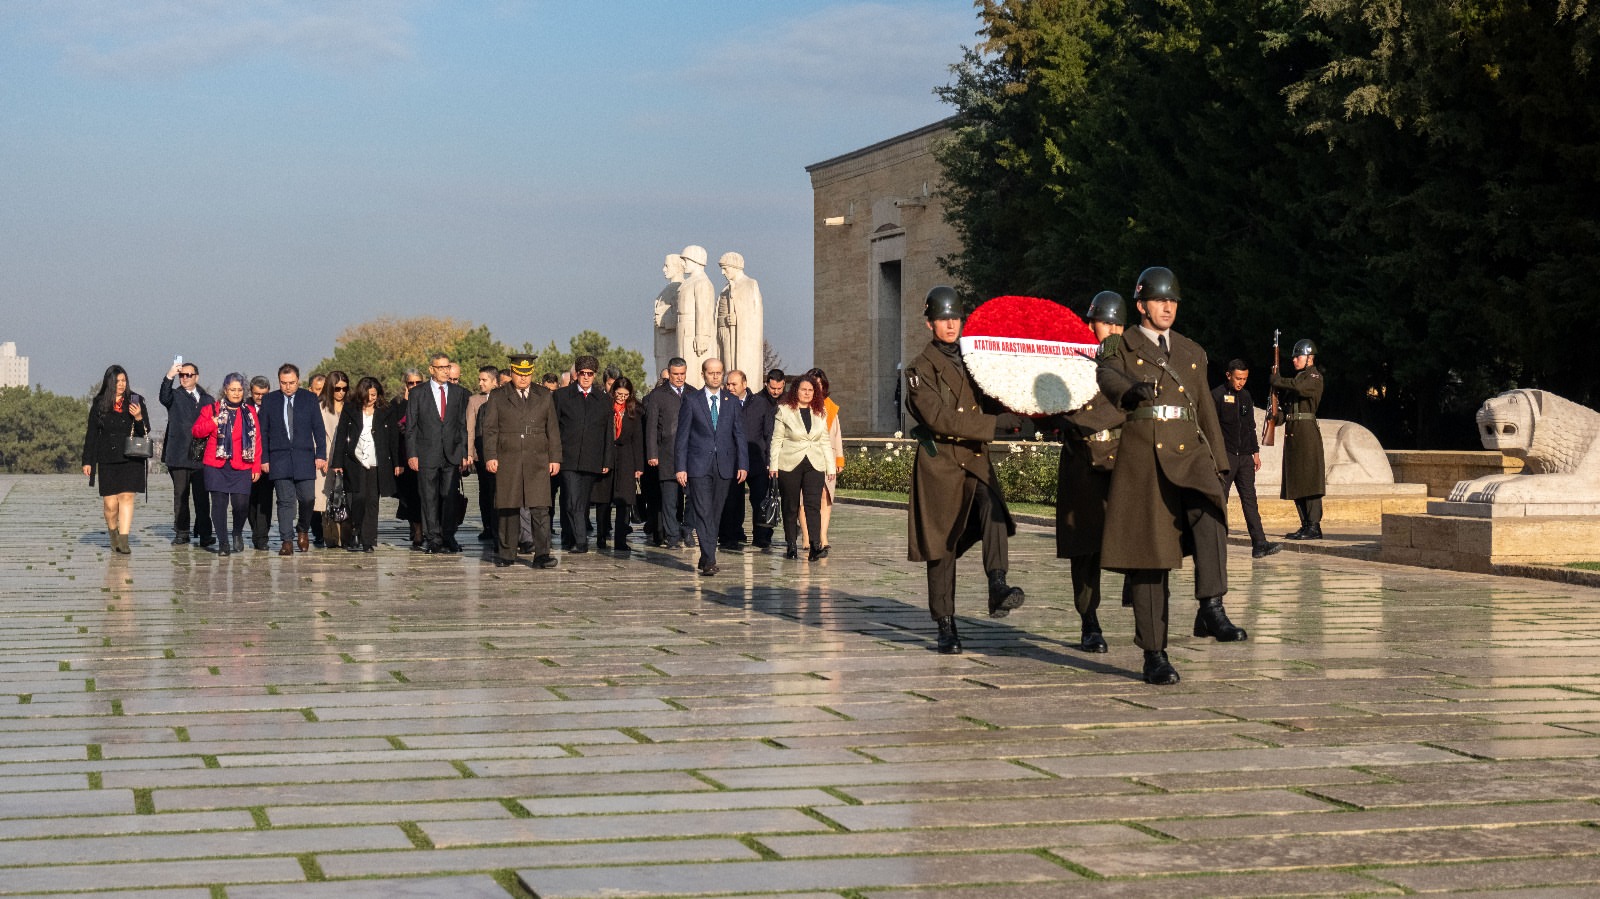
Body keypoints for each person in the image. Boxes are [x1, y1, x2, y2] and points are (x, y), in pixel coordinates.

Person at [1096, 266, 1246, 687]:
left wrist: (1219, 464)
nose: (1168, 307)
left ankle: (1211, 606)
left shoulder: (1191, 351)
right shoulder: (1118, 345)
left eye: (1173, 301)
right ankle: (1154, 652)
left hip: (1190, 449)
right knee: (1151, 556)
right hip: (1145, 456)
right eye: (1160, 300)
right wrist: (1129, 390)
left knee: (1211, 513)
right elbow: (1106, 377)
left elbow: (1204, 410)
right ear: (1141, 304)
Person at [904, 287, 1024, 654]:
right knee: (942, 548)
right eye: (943, 318)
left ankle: (998, 584)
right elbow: (939, 418)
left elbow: (996, 393)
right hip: (940, 464)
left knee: (994, 509)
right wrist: (996, 426)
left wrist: (1023, 409)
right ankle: (945, 624)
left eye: (956, 317)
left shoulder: (976, 359)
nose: (951, 324)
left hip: (973, 459)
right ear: (930, 323)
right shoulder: (919, 369)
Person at [1054, 291, 1129, 653]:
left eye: (1118, 323)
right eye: (1106, 323)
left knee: (1136, 530)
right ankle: (1089, 620)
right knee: (1085, 546)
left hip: (1123, 458)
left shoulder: (1133, 362)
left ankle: (1139, 594)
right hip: (1083, 459)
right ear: (1091, 325)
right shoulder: (1071, 362)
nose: (1112, 329)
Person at [481, 353, 561, 569]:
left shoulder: (543, 395)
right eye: (519, 373)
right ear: (512, 371)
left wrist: (555, 458)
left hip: (537, 460)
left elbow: (552, 429)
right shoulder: (498, 396)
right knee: (508, 507)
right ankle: (507, 553)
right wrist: (490, 456)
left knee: (541, 508)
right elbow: (490, 429)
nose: (524, 378)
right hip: (508, 458)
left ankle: (542, 554)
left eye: (527, 374)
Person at [675, 357, 748, 576]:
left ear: (723, 374)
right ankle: (710, 560)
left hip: (724, 465)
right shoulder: (692, 400)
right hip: (698, 466)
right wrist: (680, 467)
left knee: (715, 513)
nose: (715, 376)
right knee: (704, 511)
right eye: (711, 372)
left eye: (719, 372)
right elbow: (682, 436)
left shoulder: (732, 401)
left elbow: (739, 434)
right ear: (703, 374)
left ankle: (706, 555)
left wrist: (743, 463)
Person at [1214, 360, 1282, 558]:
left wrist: (1255, 452)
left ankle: (1259, 543)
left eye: (1244, 379)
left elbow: (1250, 425)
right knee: (1220, 500)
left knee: (1250, 500)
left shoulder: (1245, 396)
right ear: (1228, 375)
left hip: (1245, 456)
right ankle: (1215, 542)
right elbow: (1211, 428)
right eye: (1238, 378)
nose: (1241, 382)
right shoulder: (1216, 395)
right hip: (1225, 456)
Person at [258, 363, 328, 556]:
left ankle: (303, 529)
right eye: (283, 383)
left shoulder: (309, 398)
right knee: (285, 501)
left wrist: (321, 454)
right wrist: (264, 458)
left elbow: (319, 429)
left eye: (291, 383)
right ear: (278, 381)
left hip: (304, 457)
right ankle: (286, 541)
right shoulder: (270, 400)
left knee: (308, 498)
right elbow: (263, 432)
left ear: (298, 381)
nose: (288, 386)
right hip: (279, 458)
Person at [189, 373, 262, 556]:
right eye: (232, 390)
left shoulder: (250, 412)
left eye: (239, 390)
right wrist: (212, 423)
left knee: (241, 505)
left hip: (242, 464)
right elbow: (196, 431)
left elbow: (257, 441)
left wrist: (256, 466)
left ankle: (237, 532)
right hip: (216, 464)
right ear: (225, 390)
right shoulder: (211, 409)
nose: (236, 393)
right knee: (219, 505)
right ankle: (223, 543)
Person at [407, 353, 471, 554]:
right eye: (441, 367)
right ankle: (433, 537)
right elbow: (411, 426)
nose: (445, 371)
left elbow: (462, 425)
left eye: (447, 367)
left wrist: (464, 452)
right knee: (429, 497)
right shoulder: (418, 393)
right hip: (427, 453)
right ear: (431, 369)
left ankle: (448, 535)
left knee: (450, 495)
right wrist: (412, 454)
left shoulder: (459, 393)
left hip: (451, 453)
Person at [81, 365, 148, 554]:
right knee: (110, 505)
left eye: (124, 380)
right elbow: (92, 434)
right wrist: (87, 460)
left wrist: (139, 416)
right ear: (109, 382)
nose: (121, 384)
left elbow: (145, 432)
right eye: (117, 381)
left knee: (127, 497)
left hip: (130, 457)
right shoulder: (100, 403)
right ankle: (113, 533)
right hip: (107, 458)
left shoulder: (135, 400)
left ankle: (124, 541)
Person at [330, 377, 400, 553]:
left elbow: (393, 438)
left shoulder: (386, 410)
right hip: (355, 460)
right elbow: (341, 436)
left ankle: (368, 540)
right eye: (368, 395)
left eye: (374, 395)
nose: (371, 399)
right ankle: (355, 528)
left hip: (377, 461)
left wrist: (397, 463)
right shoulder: (350, 409)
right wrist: (337, 462)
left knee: (372, 501)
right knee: (358, 498)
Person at [769, 374, 834, 561]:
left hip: (815, 463)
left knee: (813, 505)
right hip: (789, 463)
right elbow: (777, 440)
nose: (807, 393)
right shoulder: (784, 410)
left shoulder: (820, 411)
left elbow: (824, 440)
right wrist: (773, 465)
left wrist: (830, 467)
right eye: (803, 390)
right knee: (790, 505)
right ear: (796, 391)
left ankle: (815, 545)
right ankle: (791, 544)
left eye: (810, 390)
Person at [553, 354, 613, 553]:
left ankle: (571, 537)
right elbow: (553, 429)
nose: (586, 377)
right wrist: (553, 456)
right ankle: (581, 541)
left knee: (582, 502)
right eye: (582, 373)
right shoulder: (561, 396)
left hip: (591, 458)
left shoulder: (603, 399)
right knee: (571, 499)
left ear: (595, 375)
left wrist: (606, 459)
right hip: (567, 458)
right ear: (576, 374)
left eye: (590, 374)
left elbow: (607, 432)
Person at [1273, 339, 1326, 540]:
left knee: (1310, 481)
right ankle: (1305, 524)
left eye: (1298, 356)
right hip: (1294, 433)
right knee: (1297, 480)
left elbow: (1300, 388)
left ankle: (1314, 525)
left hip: (1307, 433)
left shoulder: (1313, 377)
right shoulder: (1298, 379)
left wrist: (1277, 380)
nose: (1294, 359)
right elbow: (1287, 412)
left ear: (1309, 358)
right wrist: (1274, 416)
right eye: (1294, 357)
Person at [159, 358, 214, 548]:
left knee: (202, 497)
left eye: (188, 375)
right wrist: (170, 375)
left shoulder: (208, 400)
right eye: (182, 375)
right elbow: (163, 396)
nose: (184, 378)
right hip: (179, 455)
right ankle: (182, 532)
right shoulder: (174, 396)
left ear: (196, 377)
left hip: (201, 456)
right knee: (181, 496)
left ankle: (205, 532)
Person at [595, 376, 645, 552]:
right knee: (603, 500)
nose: (621, 398)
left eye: (625, 395)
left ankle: (621, 539)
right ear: (613, 391)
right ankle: (601, 536)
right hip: (607, 457)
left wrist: (639, 467)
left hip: (626, 458)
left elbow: (638, 439)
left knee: (624, 501)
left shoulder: (634, 411)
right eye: (619, 394)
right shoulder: (604, 407)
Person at [798, 368, 844, 557]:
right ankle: (807, 537)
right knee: (804, 499)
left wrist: (839, 459)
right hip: (805, 458)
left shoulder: (831, 407)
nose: (815, 389)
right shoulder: (800, 406)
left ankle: (823, 537)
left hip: (828, 458)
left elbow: (837, 434)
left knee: (825, 497)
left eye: (819, 385)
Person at [646, 359, 689, 548]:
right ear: (669, 374)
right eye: (675, 374)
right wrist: (652, 453)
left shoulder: (693, 393)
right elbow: (651, 427)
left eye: (682, 374)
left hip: (690, 455)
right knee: (670, 499)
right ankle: (672, 536)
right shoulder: (658, 395)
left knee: (693, 498)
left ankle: (686, 530)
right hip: (666, 453)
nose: (679, 378)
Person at [744, 368, 784, 550]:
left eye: (779, 388)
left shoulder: (786, 402)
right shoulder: (758, 401)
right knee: (760, 499)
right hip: (761, 458)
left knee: (774, 497)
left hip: (782, 456)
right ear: (767, 384)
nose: (775, 392)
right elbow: (762, 432)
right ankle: (760, 536)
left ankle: (768, 532)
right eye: (772, 388)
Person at [716, 369, 754, 550]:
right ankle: (724, 533)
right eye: (728, 384)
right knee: (721, 499)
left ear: (744, 384)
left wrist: (743, 463)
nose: (730, 388)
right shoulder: (720, 401)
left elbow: (741, 436)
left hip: (739, 459)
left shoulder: (755, 402)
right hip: (720, 458)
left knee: (735, 500)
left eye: (734, 384)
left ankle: (733, 533)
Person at [312, 370, 349, 548]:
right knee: (327, 499)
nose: (341, 392)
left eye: (345, 388)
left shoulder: (352, 407)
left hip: (348, 460)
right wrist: (322, 457)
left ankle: (346, 535)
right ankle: (328, 536)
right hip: (325, 459)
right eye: (337, 388)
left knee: (346, 498)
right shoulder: (319, 407)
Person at [716, 252, 764, 377]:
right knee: (726, 370)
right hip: (724, 332)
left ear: (735, 267)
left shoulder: (750, 284)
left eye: (725, 268)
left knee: (736, 371)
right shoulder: (725, 288)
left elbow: (755, 314)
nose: (722, 272)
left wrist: (739, 318)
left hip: (739, 336)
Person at [467, 365, 500, 544]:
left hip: (502, 456)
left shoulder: (504, 398)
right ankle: (488, 526)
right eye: (479, 379)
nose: (480, 383)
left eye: (484, 380)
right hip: (481, 455)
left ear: (495, 382)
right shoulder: (475, 401)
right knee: (485, 492)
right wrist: (470, 452)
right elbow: (470, 428)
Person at [392, 370, 425, 549]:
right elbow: (394, 430)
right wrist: (406, 402)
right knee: (410, 497)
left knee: (426, 496)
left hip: (426, 456)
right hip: (405, 457)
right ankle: (416, 529)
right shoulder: (397, 403)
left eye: (418, 383)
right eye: (410, 383)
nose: (414, 386)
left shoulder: (428, 400)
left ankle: (428, 528)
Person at [676, 245, 716, 387]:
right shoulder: (690, 282)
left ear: (695, 260)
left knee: (693, 371)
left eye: (685, 260)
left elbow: (704, 311)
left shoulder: (702, 282)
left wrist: (702, 335)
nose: (683, 264)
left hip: (694, 331)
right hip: (685, 328)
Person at [244, 376, 276, 551]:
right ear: (251, 391)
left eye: (263, 394)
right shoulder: (243, 407)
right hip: (247, 461)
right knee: (249, 500)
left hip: (268, 461)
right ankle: (255, 528)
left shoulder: (274, 406)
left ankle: (261, 536)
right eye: (257, 394)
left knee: (265, 500)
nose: (260, 397)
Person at [653, 254, 684, 378]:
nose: (664, 269)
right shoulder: (669, 288)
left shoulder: (679, 288)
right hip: (662, 343)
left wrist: (664, 321)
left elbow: (681, 315)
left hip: (670, 344)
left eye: (667, 266)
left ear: (677, 267)